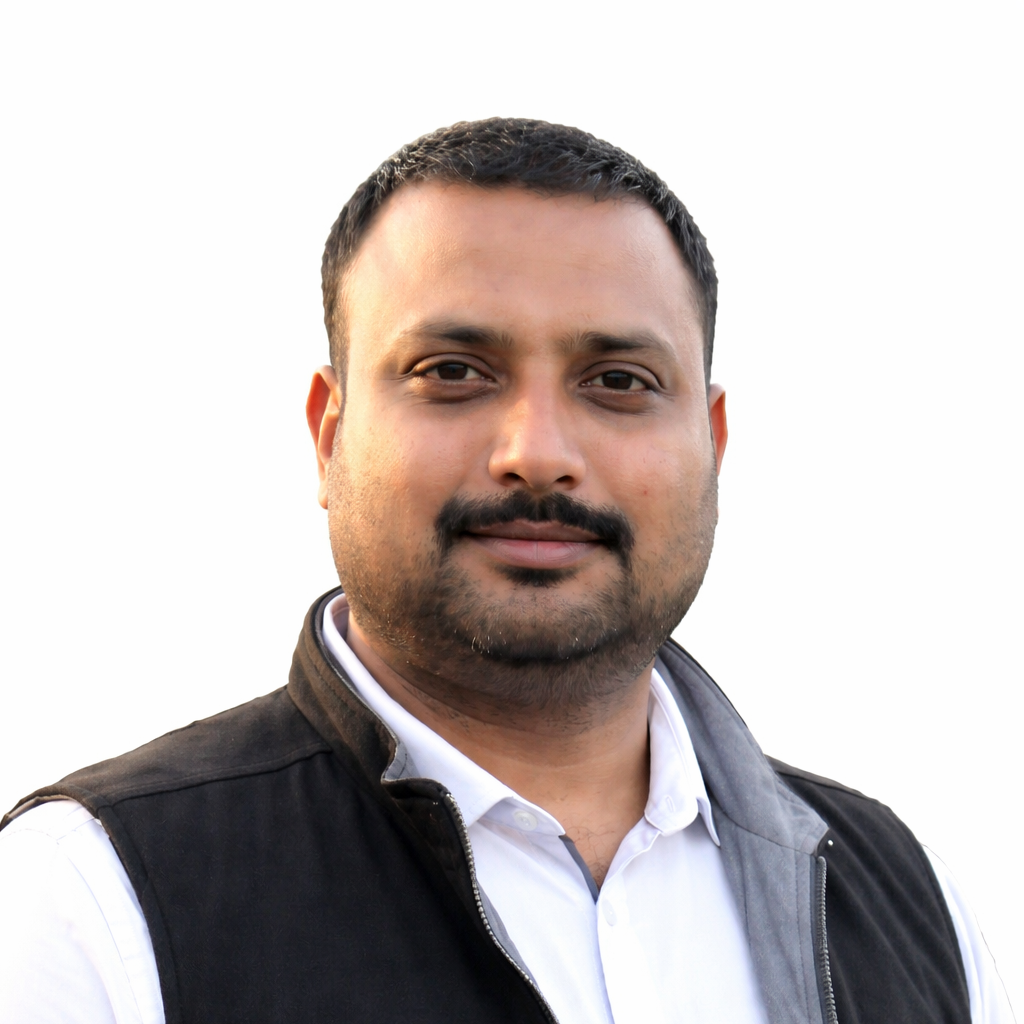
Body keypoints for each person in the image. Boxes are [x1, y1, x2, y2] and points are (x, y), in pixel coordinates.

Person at [0, 118, 1013, 1024]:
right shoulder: (92, 900)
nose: (537, 453)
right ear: (329, 434)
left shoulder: (904, 900)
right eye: (452, 373)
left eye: (618, 381)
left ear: (711, 444)